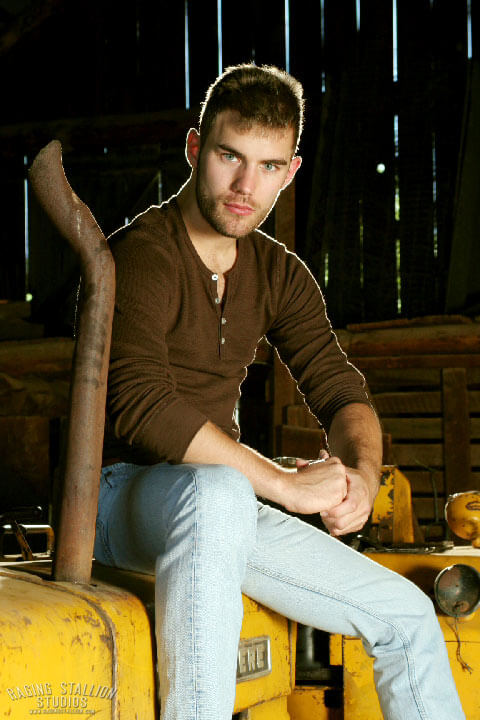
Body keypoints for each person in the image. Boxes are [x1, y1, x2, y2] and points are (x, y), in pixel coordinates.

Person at [94, 64, 465, 720]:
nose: (245, 186)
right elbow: (140, 403)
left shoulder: (277, 273)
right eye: (229, 156)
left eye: (267, 166)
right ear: (195, 149)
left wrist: (362, 477)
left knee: (407, 617)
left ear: (289, 172)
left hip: (220, 508)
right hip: (120, 497)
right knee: (221, 493)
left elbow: (340, 388)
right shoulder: (143, 253)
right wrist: (287, 487)